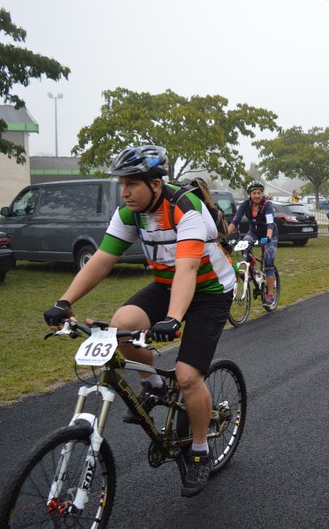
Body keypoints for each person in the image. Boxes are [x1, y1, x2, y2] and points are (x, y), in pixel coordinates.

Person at [42, 145, 235, 498]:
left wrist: (174, 319)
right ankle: (155, 387)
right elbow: (102, 259)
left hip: (209, 290)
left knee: (189, 375)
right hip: (166, 283)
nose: (124, 191)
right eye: (121, 183)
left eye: (132, 183)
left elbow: (189, 268)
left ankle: (199, 450)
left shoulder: (184, 209)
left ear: (155, 185)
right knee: (120, 325)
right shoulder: (130, 213)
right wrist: (64, 301)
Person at [228, 181, 278, 306]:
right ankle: (252, 268)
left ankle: (270, 295)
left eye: (259, 193)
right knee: (244, 246)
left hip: (269, 233)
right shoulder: (245, 204)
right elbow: (236, 220)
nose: (256, 195)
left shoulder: (267, 205)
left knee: (268, 262)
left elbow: (270, 223)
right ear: (249, 194)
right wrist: (225, 236)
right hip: (254, 232)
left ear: (262, 193)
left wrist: (268, 237)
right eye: (254, 193)